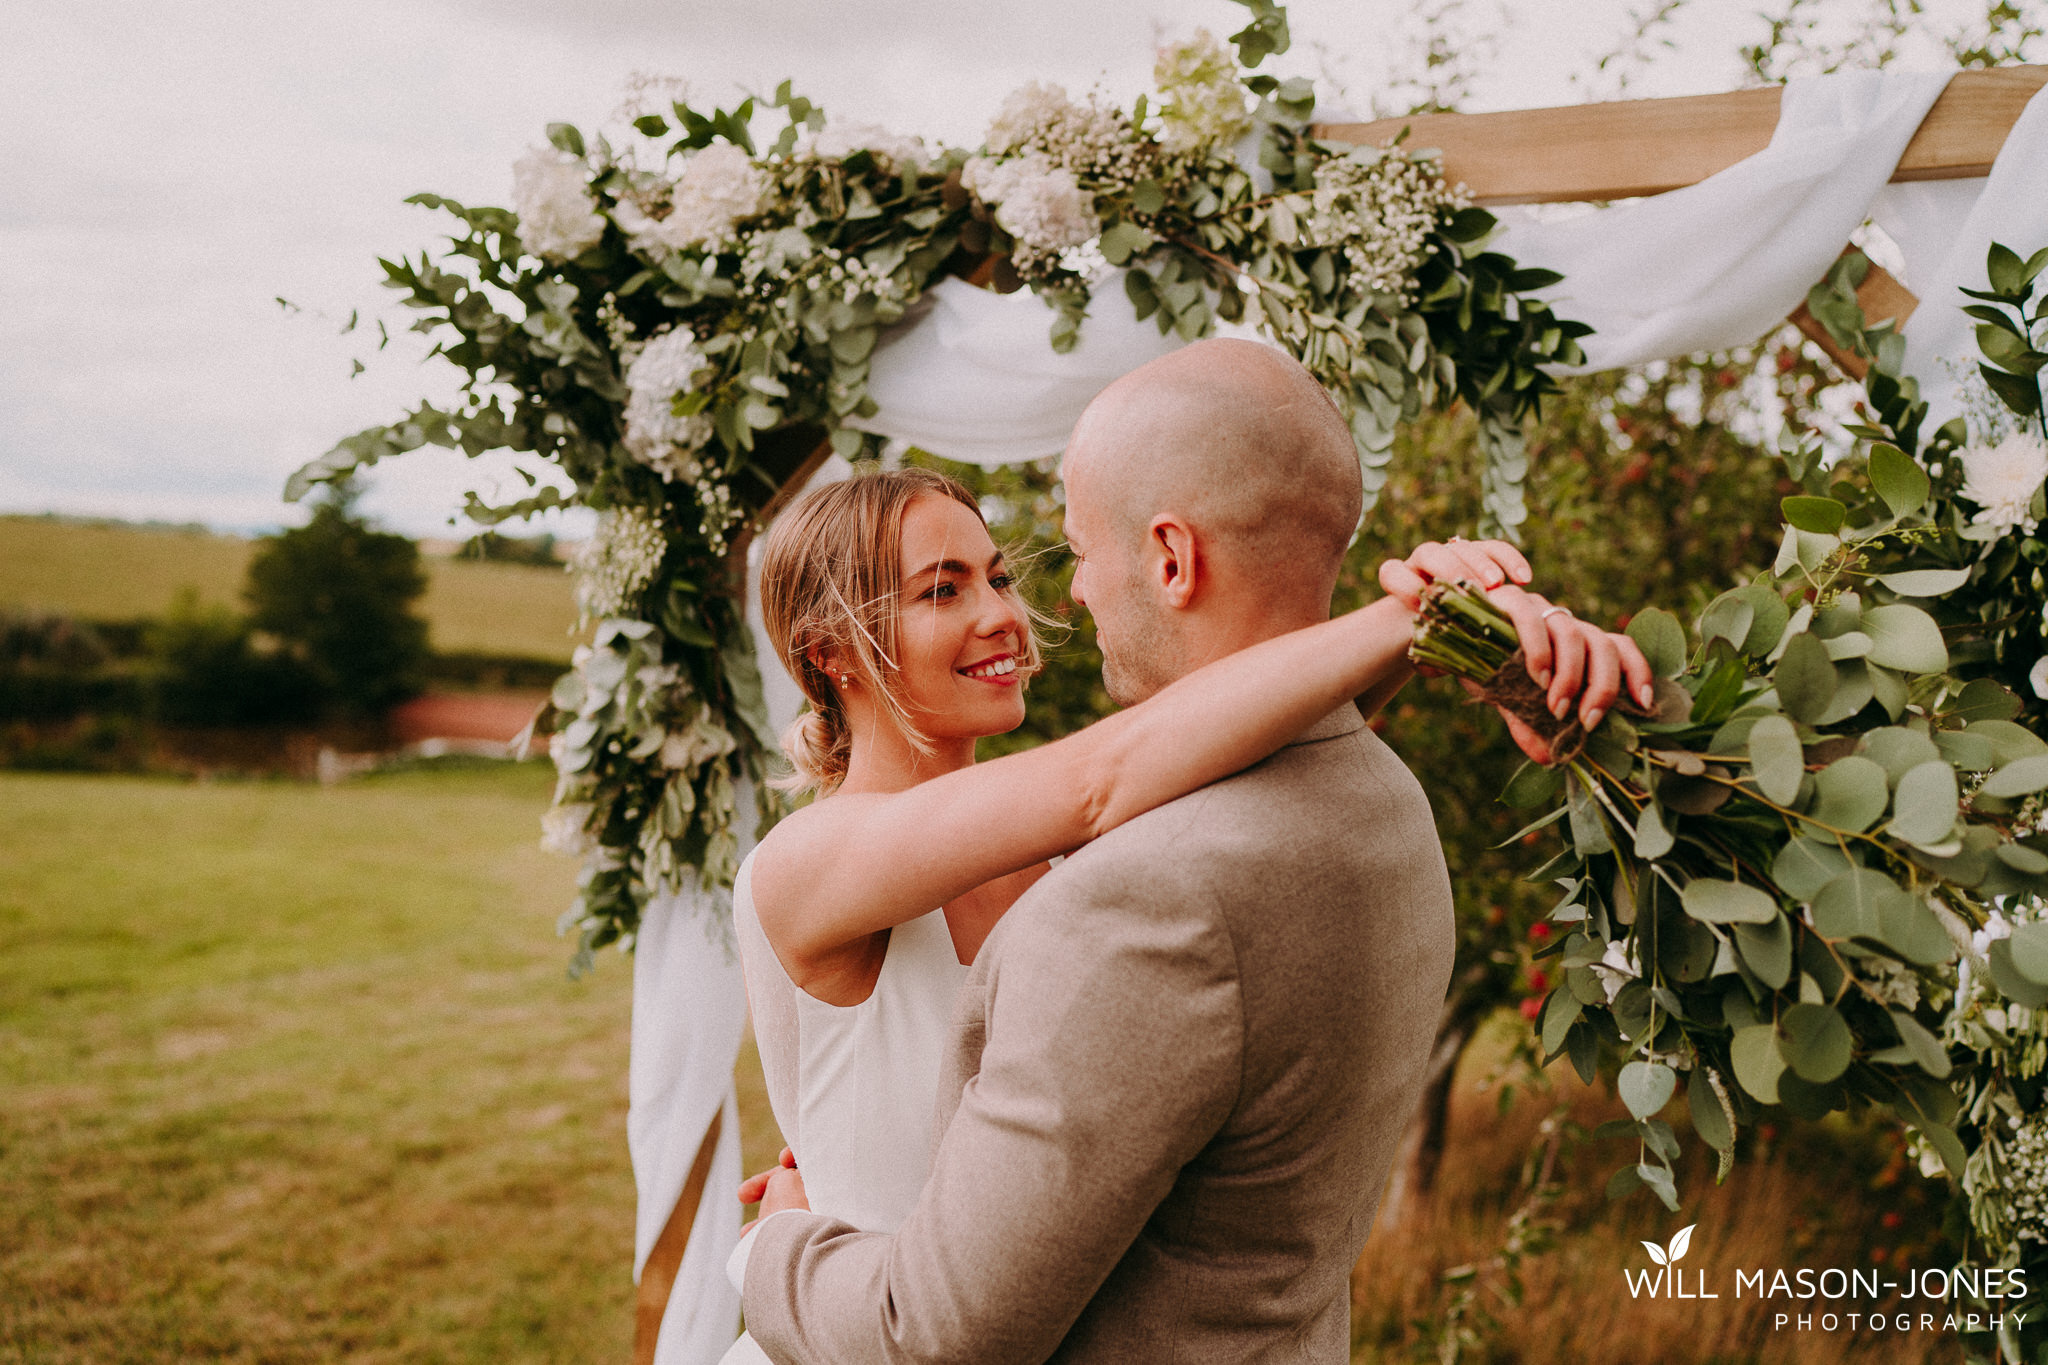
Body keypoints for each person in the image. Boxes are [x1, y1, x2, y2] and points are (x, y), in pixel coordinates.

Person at [732, 338, 1649, 1364]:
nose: (1005, 612)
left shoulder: (1067, 862)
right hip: (843, 1322)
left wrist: (1487, 649)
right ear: (826, 650)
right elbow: (1101, 781)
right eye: (942, 591)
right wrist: (1415, 618)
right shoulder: (807, 864)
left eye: (997, 574)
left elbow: (1261, 779)